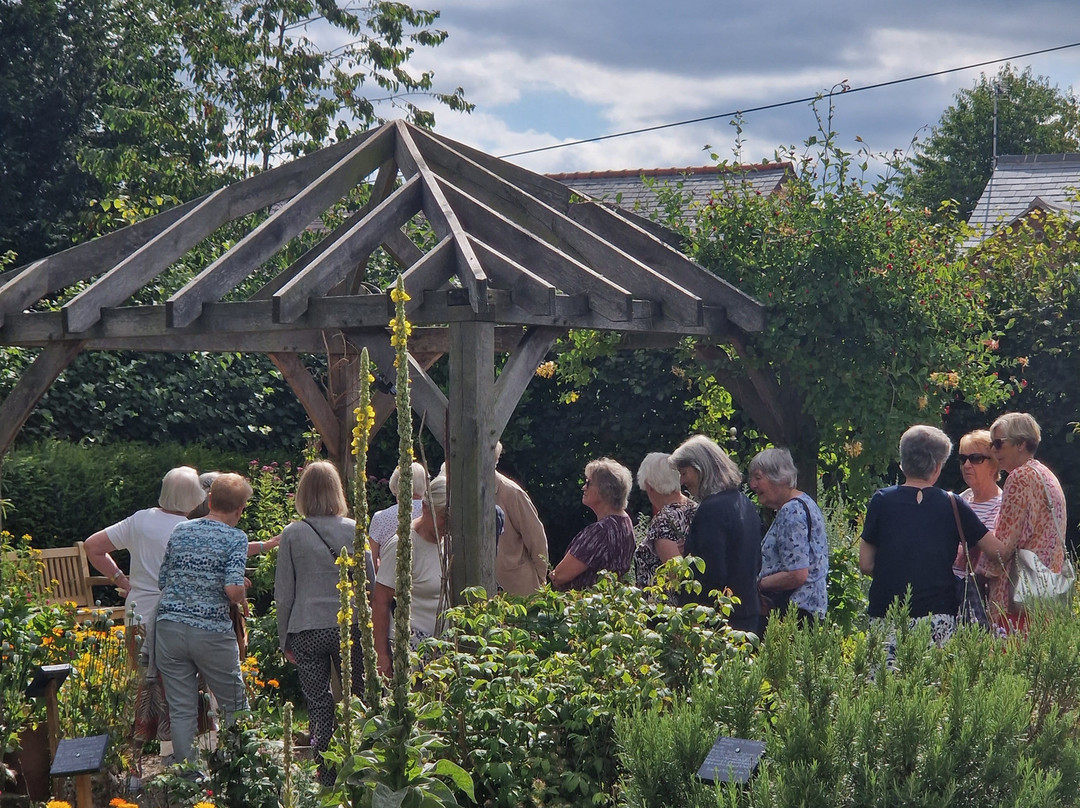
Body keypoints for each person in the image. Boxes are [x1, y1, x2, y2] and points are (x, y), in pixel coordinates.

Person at [83, 466, 206, 778]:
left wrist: (121, 579)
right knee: (178, 690)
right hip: (174, 618)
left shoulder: (139, 519)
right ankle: (180, 761)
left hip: (138, 613)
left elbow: (93, 546)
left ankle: (132, 766)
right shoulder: (189, 529)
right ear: (193, 498)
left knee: (141, 690)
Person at [859, 425, 1007, 645]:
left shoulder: (881, 500)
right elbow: (997, 551)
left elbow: (865, 564)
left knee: (884, 677)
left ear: (903, 463)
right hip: (937, 615)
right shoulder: (953, 503)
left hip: (885, 613)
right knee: (932, 678)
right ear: (937, 467)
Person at [275, 461, 372, 785]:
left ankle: (326, 774)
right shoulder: (354, 528)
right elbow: (369, 582)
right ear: (337, 491)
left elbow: (284, 591)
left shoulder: (292, 534)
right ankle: (361, 764)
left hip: (306, 628)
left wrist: (283, 638)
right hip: (352, 625)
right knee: (359, 696)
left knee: (319, 704)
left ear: (303, 493)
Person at [155, 473, 252, 769]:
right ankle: (241, 771)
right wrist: (245, 586)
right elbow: (232, 591)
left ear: (209, 500)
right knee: (234, 704)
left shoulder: (181, 530)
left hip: (169, 628)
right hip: (211, 632)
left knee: (182, 710)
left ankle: (188, 779)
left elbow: (162, 580)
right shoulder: (236, 537)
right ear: (240, 509)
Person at [981, 412, 1068, 633]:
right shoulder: (1045, 475)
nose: (993, 451)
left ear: (1020, 444)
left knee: (1008, 662)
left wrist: (973, 529)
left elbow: (1003, 548)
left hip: (1015, 599)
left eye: (998, 444)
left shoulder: (1019, 477)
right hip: (1045, 594)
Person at [670, 435, 762, 634]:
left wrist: (691, 618)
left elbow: (710, 572)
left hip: (719, 621)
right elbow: (755, 561)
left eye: (684, 473)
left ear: (701, 468)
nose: (682, 481)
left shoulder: (711, 509)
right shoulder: (745, 503)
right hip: (748, 614)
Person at [373, 475, 449, 678]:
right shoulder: (402, 546)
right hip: (410, 650)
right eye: (443, 517)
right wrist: (381, 655)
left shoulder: (449, 542)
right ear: (425, 508)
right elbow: (381, 601)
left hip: (446, 648)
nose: (448, 525)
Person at [748, 448, 828, 624]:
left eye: (758, 477)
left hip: (794, 614)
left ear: (780, 477)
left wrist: (758, 584)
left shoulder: (791, 511)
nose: (752, 485)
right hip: (808, 611)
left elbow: (797, 574)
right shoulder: (805, 503)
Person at [549, 458, 635, 590]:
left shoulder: (600, 531)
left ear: (605, 490)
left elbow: (560, 576)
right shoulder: (625, 521)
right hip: (612, 602)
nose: (584, 487)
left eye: (588, 483)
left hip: (587, 607)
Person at [951, 430, 1002, 623]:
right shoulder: (961, 500)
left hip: (980, 597)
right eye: (963, 458)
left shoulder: (1003, 505)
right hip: (951, 593)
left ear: (993, 464)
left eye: (976, 458)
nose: (967, 465)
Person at [632, 452, 697, 588]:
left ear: (649, 486)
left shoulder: (663, 522)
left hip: (668, 606)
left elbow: (677, 576)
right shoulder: (696, 509)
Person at [494, 442, 549, 595]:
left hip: (518, 589)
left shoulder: (512, 493)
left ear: (495, 460)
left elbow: (536, 539)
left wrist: (539, 579)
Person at [368, 462, 427, 569]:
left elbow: (370, 562)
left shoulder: (380, 518)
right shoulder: (432, 514)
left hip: (389, 582)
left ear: (396, 486)